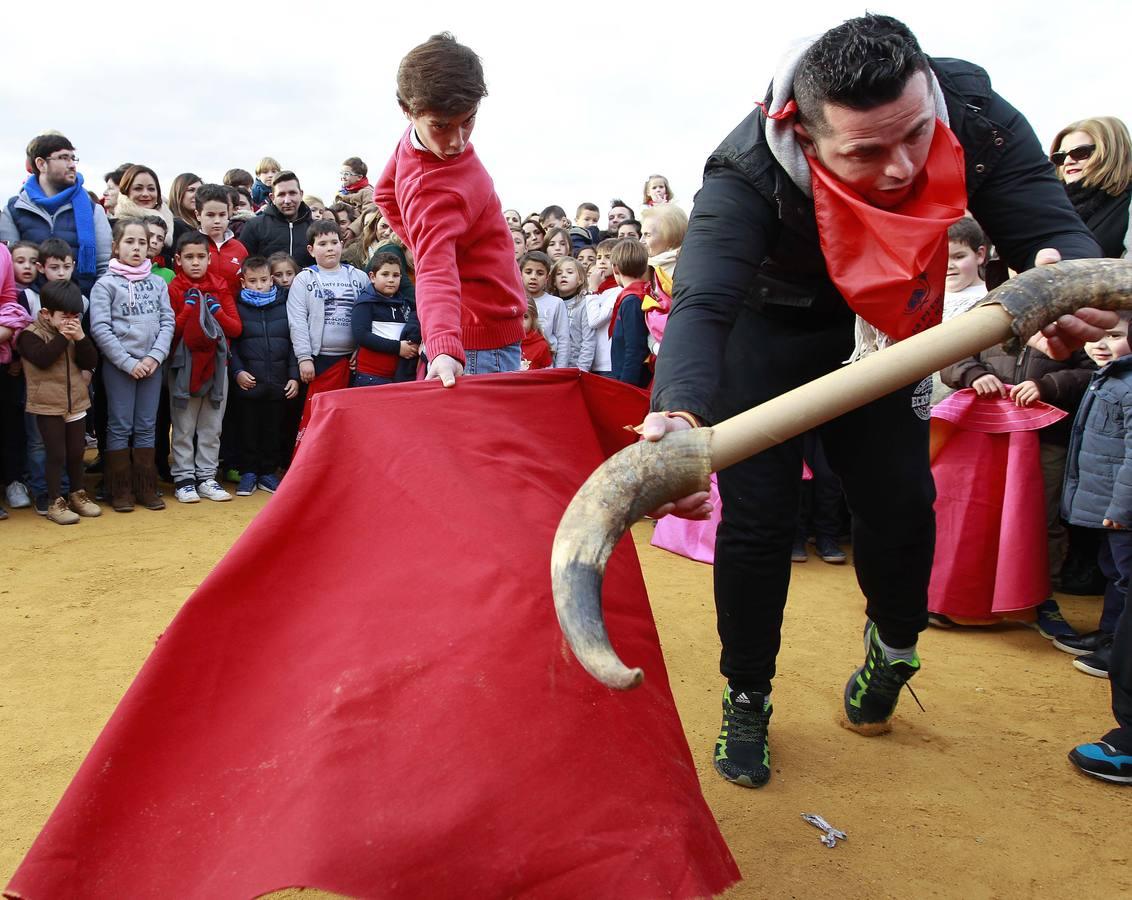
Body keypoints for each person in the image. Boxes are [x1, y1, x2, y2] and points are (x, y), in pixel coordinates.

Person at [643, 14, 1108, 790]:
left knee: (900, 505)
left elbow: (1049, 226)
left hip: (889, 330)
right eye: (865, 151)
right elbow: (702, 301)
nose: (900, 167)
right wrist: (681, 415)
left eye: (915, 136)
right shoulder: (745, 167)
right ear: (805, 135)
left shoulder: (971, 108)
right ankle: (747, 693)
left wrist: (1078, 288)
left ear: (927, 87)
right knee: (758, 522)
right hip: (771, 335)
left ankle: (893, 650)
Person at [374, 32, 526, 386]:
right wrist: (444, 345)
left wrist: (429, 244)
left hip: (476, 328)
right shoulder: (434, 189)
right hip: (476, 343)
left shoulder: (411, 143)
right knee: (491, 442)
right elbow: (435, 267)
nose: (457, 141)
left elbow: (383, 194)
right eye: (441, 125)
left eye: (468, 120)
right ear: (407, 111)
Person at [1058, 314, 1132, 678]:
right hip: (1109, 508)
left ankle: (1120, 649)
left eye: (1115, 336)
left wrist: (1122, 507)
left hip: (1124, 511)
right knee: (1112, 570)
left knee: (1125, 575)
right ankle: (1109, 634)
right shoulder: (1109, 375)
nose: (1101, 344)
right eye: (1095, 336)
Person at [89, 218, 174, 513]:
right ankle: (120, 489)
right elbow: (100, 329)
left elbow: (167, 321)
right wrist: (127, 362)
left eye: (142, 242)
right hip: (119, 367)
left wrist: (154, 357)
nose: (137, 248)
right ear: (115, 247)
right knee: (119, 425)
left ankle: (146, 488)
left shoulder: (157, 283)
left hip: (152, 366)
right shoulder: (105, 285)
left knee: (147, 425)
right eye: (130, 242)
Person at [15, 279, 101, 525]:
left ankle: (77, 494)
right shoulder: (29, 335)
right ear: (46, 313)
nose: (71, 320)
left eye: (75, 315)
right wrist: (65, 337)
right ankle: (54, 501)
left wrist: (82, 337)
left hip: (76, 401)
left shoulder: (75, 332)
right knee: (56, 454)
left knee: (77, 452)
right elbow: (43, 359)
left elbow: (89, 360)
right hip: (47, 404)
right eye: (65, 315)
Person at [166, 232, 242, 504]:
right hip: (183, 367)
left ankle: (207, 476)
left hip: (217, 366)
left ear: (210, 258)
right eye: (189, 257)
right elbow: (171, 331)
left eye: (200, 257)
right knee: (184, 425)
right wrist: (188, 310)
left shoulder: (220, 285)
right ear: (178, 260)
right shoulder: (174, 288)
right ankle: (184, 478)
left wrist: (217, 311)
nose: (195, 262)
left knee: (211, 425)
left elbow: (235, 327)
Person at [0, 133, 112, 296]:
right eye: (64, 158)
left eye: (73, 158)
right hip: (30, 310)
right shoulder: (15, 208)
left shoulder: (92, 209)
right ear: (41, 164)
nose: (72, 165)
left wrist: (88, 306)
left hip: (80, 306)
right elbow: (10, 268)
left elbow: (103, 267)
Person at [230, 257, 298, 497]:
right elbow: (232, 345)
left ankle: (268, 473)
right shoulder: (237, 307)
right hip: (248, 382)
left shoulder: (284, 305)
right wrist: (237, 371)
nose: (259, 286)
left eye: (263, 280)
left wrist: (293, 375)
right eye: (252, 281)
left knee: (272, 428)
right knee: (247, 428)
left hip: (278, 381)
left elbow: (292, 343)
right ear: (243, 282)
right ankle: (248, 472)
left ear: (272, 279)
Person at [287, 220, 367, 383]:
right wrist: (304, 358)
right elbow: (297, 320)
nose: (330, 248)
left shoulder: (360, 277)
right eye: (322, 244)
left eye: (334, 242)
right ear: (311, 250)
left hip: (352, 359)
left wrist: (362, 349)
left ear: (342, 244)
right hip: (318, 359)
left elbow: (368, 317)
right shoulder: (303, 279)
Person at [1049, 116, 1131, 259]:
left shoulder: (1127, 203)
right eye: (1060, 157)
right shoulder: (1050, 208)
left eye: (1080, 152)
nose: (1068, 161)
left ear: (1111, 153)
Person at [350, 251, 420, 388]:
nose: (391, 280)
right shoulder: (365, 303)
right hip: (371, 376)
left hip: (398, 377)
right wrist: (398, 347)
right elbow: (362, 336)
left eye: (396, 275)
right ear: (372, 277)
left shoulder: (404, 304)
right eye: (385, 274)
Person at [0, 243, 32, 520]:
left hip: (2, 354)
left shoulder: (2, 253)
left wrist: (8, 327)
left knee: (9, 425)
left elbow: (10, 299)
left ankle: (12, 481)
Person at [239, 172, 316, 268]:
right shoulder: (254, 226)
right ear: (272, 198)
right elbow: (244, 265)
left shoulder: (315, 228)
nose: (287, 200)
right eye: (281, 195)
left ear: (301, 194)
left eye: (292, 193)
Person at [608, 239, 652, 388]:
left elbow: (635, 348)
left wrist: (625, 386)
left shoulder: (632, 300)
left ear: (615, 268)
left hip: (631, 382)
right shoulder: (641, 293)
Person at [195, 184, 248, 300]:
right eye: (210, 215)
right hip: (199, 313)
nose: (217, 221)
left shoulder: (239, 248)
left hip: (233, 313)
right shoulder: (189, 246)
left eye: (222, 214)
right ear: (198, 215)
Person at [519, 250, 568, 367]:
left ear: (547, 277)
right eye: (528, 272)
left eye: (540, 273)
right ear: (520, 274)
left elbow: (563, 340)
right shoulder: (514, 302)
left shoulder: (556, 303)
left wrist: (560, 371)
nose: (533, 277)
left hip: (546, 365)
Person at [550, 256, 595, 371]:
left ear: (580, 280)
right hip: (550, 367)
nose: (563, 275)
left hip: (575, 368)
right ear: (554, 281)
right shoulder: (551, 304)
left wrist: (581, 369)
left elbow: (588, 340)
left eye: (569, 272)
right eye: (559, 273)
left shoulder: (584, 304)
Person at [114, 165, 175, 246]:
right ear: (126, 191)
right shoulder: (114, 226)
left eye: (151, 189)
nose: (145, 194)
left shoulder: (176, 227)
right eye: (138, 188)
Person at [167, 172, 202, 247]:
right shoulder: (173, 226)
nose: (197, 195)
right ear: (178, 193)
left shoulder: (205, 225)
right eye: (191, 190)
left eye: (200, 191)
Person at [520, 299, 552, 370]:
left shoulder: (541, 345)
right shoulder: (504, 344)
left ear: (533, 319)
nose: (520, 321)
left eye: (525, 317)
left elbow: (548, 375)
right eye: (516, 316)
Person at [144, 217, 175, 283]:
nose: (155, 241)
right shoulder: (122, 269)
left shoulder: (169, 275)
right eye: (150, 235)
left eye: (160, 239)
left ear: (163, 244)